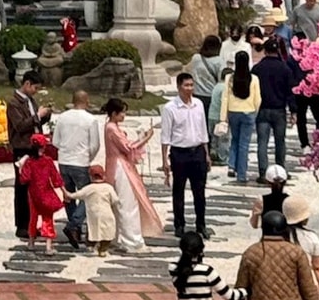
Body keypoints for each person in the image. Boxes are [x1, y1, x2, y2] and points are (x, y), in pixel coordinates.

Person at [103, 99, 162, 251]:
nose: (124, 115)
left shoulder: (111, 126)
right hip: (120, 167)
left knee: (120, 205)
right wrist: (146, 138)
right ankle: (132, 241)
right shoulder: (112, 128)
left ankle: (120, 238)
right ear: (114, 113)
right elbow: (128, 147)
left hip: (115, 165)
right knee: (128, 204)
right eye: (122, 112)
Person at [160, 72, 212, 240]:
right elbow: (165, 135)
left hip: (197, 151)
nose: (189, 88)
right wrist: (164, 160)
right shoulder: (170, 108)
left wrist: (207, 153)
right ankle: (179, 224)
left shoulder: (198, 104)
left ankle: (201, 224)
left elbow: (203, 129)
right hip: (179, 152)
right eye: (186, 85)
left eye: (191, 85)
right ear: (179, 87)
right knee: (179, 190)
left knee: (200, 191)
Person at [49, 89, 103, 249]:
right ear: (86, 101)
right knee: (88, 196)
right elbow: (95, 144)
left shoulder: (62, 118)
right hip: (81, 161)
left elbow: (55, 141)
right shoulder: (90, 119)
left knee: (69, 196)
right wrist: (89, 157)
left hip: (64, 160)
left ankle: (76, 228)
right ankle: (74, 224)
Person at [5, 70, 52, 239]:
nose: (36, 91)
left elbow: (35, 122)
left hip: (33, 145)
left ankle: (32, 223)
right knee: (22, 188)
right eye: (35, 88)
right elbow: (20, 126)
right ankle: (22, 225)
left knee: (35, 187)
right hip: (21, 148)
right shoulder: (13, 103)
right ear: (27, 84)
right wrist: (37, 116)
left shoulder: (31, 100)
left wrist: (44, 116)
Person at [253, 38, 295, 176]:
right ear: (277, 50)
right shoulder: (285, 69)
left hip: (262, 109)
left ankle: (263, 172)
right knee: (280, 142)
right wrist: (293, 111)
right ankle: (280, 170)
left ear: (264, 51)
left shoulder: (257, 69)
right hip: (279, 109)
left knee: (262, 142)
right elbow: (290, 92)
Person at [19, 137, 65, 251]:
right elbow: (56, 178)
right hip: (46, 191)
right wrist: (64, 192)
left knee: (33, 217)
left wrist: (20, 169)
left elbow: (24, 179)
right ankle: (48, 246)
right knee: (48, 217)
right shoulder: (48, 161)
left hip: (33, 192)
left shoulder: (29, 162)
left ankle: (31, 242)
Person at [222, 51, 262, 183]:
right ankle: (242, 174)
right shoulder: (254, 78)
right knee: (244, 144)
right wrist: (255, 112)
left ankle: (232, 166)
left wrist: (223, 116)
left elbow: (225, 97)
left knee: (234, 139)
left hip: (233, 111)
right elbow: (258, 99)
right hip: (248, 111)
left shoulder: (229, 78)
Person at [64, 165, 121, 255]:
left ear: (91, 177)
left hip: (93, 214)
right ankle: (103, 249)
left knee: (92, 230)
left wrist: (65, 192)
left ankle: (91, 246)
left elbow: (76, 195)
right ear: (103, 175)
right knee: (107, 231)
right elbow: (115, 200)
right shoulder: (108, 187)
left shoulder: (89, 188)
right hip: (106, 213)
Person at [187, 37, 226, 135]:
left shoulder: (196, 58)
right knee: (210, 124)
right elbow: (222, 80)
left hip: (197, 95)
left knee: (198, 124)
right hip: (212, 96)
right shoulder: (219, 61)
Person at [249, 164, 292, 228]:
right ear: (285, 182)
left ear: (267, 182)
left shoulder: (261, 200)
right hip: (286, 236)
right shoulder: (290, 200)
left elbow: (254, 224)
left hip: (267, 236)